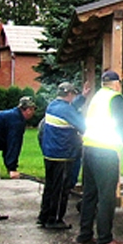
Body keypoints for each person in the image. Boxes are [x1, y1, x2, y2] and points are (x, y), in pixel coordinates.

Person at [75, 70, 123, 244]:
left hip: (88, 149)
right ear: (117, 83)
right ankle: (104, 238)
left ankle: (84, 236)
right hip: (105, 151)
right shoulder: (115, 98)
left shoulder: (97, 97)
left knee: (89, 194)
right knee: (106, 196)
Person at [37, 82, 86, 230]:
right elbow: (83, 126)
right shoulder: (66, 110)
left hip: (50, 154)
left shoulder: (53, 105)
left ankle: (44, 216)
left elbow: (69, 108)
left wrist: (82, 97)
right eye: (74, 94)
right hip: (63, 155)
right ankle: (55, 219)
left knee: (50, 187)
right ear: (69, 94)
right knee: (61, 189)